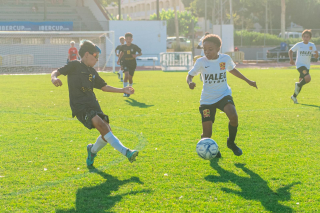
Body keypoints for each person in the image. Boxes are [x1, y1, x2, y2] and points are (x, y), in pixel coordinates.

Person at [51, 40, 139, 166]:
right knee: (101, 125)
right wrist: (54, 78)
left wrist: (122, 90)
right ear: (87, 54)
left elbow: (104, 87)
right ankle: (127, 152)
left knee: (106, 130)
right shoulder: (74, 65)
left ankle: (92, 151)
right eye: (96, 56)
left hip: (93, 103)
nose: (97, 59)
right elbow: (56, 72)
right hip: (80, 106)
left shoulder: (92, 72)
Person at [186, 34, 257, 158]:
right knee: (207, 134)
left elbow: (232, 70)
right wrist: (190, 82)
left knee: (233, 116)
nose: (207, 52)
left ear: (219, 48)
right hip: (207, 100)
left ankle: (231, 142)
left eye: (210, 49)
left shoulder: (225, 59)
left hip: (223, 95)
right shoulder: (201, 61)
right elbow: (190, 75)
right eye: (204, 49)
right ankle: (212, 149)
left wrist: (248, 80)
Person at [289, 29, 318, 104]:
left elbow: (315, 56)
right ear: (302, 37)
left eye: (307, 37)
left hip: (307, 66)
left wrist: (316, 54)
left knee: (301, 82)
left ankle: (294, 96)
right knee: (308, 78)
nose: (305, 38)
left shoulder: (312, 45)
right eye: (304, 36)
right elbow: (290, 51)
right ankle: (297, 85)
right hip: (300, 65)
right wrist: (291, 60)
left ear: (310, 38)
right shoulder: (299, 45)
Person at [117, 32, 142, 97]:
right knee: (126, 75)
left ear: (132, 40)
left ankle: (130, 91)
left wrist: (136, 55)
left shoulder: (134, 46)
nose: (128, 40)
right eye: (127, 39)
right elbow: (121, 53)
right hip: (125, 62)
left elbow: (140, 53)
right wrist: (118, 60)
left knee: (130, 78)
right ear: (125, 40)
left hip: (132, 63)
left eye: (129, 39)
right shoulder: (123, 47)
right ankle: (125, 91)